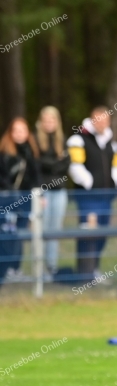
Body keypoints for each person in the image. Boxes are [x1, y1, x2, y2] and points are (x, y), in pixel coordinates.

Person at [67, 106, 117, 282]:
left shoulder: (112, 144)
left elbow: (116, 167)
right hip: (87, 198)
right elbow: (74, 166)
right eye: (98, 120)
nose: (102, 123)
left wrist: (115, 185)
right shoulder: (78, 139)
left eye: (105, 120)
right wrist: (89, 183)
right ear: (92, 120)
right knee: (88, 234)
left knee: (102, 234)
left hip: (106, 197)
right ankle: (84, 274)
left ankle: (95, 269)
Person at [0, 118, 41, 283]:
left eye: (22, 130)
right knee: (7, 234)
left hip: (25, 201)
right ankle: (5, 269)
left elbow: (35, 176)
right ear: (10, 133)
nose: (19, 134)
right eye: (16, 130)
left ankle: (15, 268)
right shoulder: (4, 152)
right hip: (6, 201)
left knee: (20, 235)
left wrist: (38, 195)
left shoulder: (31, 152)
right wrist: (11, 193)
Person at [36, 106, 70, 278]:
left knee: (55, 230)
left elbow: (66, 164)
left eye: (52, 120)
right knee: (41, 230)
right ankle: (39, 268)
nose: (49, 123)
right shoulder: (35, 141)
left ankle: (52, 267)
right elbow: (37, 165)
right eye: (46, 120)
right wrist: (55, 162)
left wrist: (52, 164)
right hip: (43, 192)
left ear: (57, 122)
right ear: (41, 122)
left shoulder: (62, 141)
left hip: (59, 191)